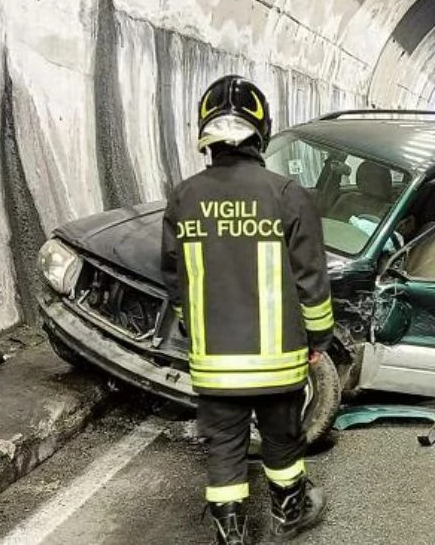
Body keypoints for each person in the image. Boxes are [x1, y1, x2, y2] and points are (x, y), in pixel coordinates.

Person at [160, 75, 332, 544]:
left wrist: (192, 333)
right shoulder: (286, 194)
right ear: (263, 132)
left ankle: (231, 534)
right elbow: (312, 281)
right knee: (282, 439)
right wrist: (319, 338)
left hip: (215, 362)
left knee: (224, 448)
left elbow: (175, 280)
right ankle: (291, 513)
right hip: (278, 359)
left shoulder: (184, 196)